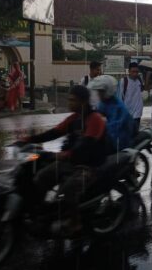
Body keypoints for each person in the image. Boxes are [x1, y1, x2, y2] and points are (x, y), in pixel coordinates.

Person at [18, 85, 107, 235]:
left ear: (83, 102)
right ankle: (44, 213)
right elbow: (54, 133)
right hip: (73, 161)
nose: (69, 103)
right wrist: (29, 140)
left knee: (68, 189)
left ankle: (75, 222)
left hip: (91, 165)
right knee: (41, 177)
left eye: (73, 100)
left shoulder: (95, 119)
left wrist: (66, 154)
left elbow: (86, 144)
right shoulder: (74, 119)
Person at [92, 75, 136, 154]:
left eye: (101, 91)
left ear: (107, 90)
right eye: (98, 91)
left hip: (120, 139)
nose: (99, 94)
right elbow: (97, 114)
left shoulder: (118, 107)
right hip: (111, 136)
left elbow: (114, 128)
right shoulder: (103, 103)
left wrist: (103, 127)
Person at [120, 62, 145, 132]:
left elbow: (144, 89)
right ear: (129, 71)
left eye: (137, 72)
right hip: (126, 114)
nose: (135, 74)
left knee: (135, 135)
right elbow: (119, 97)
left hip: (137, 114)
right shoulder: (124, 81)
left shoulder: (139, 80)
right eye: (133, 71)